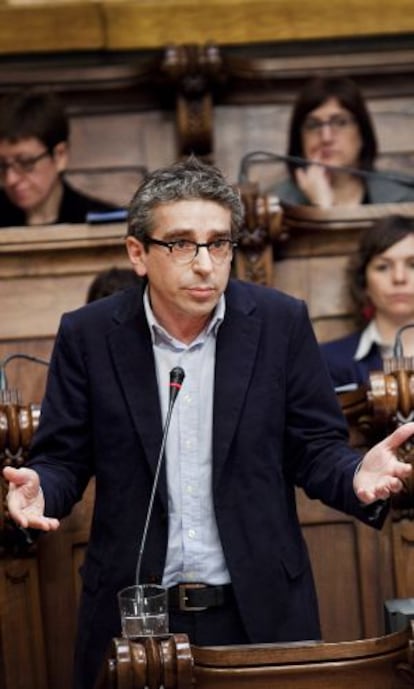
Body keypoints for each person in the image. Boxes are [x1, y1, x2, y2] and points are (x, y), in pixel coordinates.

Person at [3, 157, 412, 689]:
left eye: (219, 243)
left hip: (259, 608)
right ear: (138, 253)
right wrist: (42, 490)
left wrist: (356, 474)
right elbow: (63, 458)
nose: (204, 263)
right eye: (181, 244)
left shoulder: (279, 322)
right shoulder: (90, 334)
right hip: (137, 612)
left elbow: (314, 447)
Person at [274, 75, 414, 207]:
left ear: (362, 134)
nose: (326, 137)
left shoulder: (404, 199)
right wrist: (321, 206)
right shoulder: (278, 205)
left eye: (340, 123)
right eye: (313, 125)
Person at [321, 214, 414, 388]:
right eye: (383, 267)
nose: (399, 278)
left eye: (413, 265)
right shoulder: (326, 361)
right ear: (364, 282)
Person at [0, 89, 117, 227]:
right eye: (2, 165)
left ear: (60, 156)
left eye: (26, 163)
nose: (10, 179)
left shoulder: (105, 223)